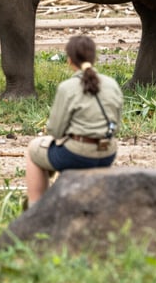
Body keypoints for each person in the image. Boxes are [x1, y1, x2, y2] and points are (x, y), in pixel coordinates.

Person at [25, 35, 123, 207]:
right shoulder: (112, 84)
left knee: (33, 150)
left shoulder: (67, 87)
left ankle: (36, 208)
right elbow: (116, 125)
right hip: (107, 153)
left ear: (69, 60)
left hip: (77, 154)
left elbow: (55, 130)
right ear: (94, 58)